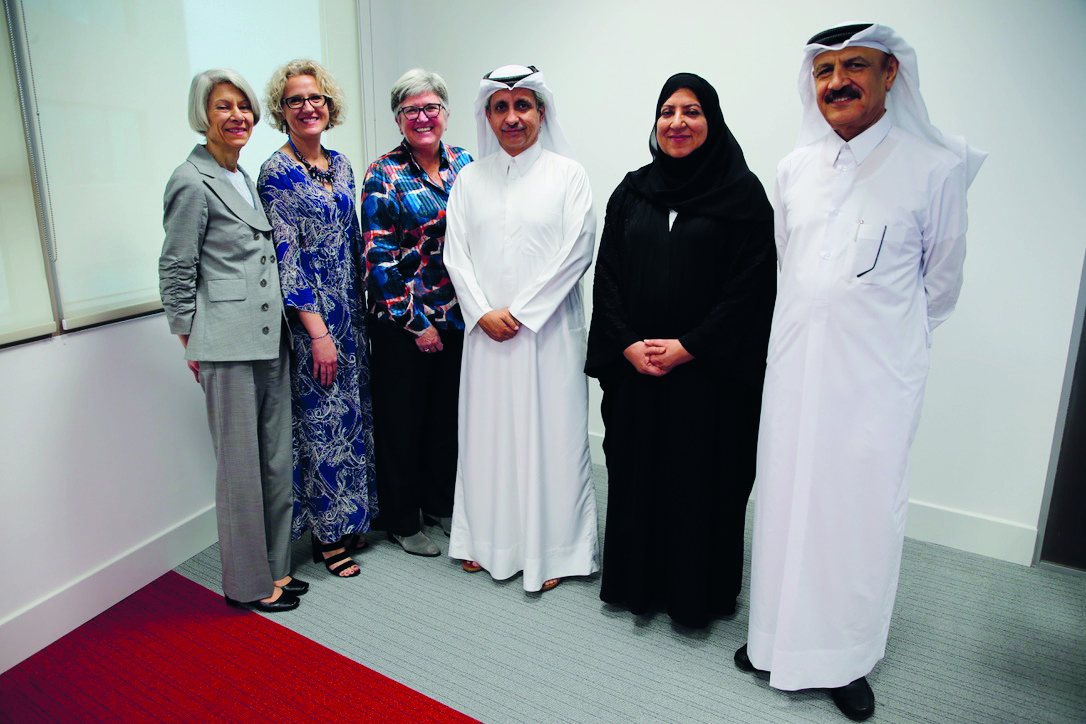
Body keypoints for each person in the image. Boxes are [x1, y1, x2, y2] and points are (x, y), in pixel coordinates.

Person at [736, 24, 987, 721]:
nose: (837, 82)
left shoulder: (934, 168)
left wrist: (875, 337)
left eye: (855, 67)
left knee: (857, 517)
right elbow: (792, 265)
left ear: (890, 76)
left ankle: (844, 660)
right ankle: (772, 641)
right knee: (786, 503)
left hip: (875, 378)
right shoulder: (795, 167)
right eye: (824, 71)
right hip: (792, 369)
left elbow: (942, 286)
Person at [585, 73, 776, 628]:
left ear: (712, 122)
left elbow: (751, 287)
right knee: (638, 475)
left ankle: (698, 595)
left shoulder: (743, 196)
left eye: (691, 111)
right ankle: (636, 584)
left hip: (709, 378)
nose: (677, 122)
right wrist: (624, 344)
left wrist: (689, 346)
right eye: (667, 111)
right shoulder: (633, 190)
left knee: (703, 482)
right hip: (639, 372)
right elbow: (609, 277)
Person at [444, 65, 599, 593]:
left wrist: (524, 311)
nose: (512, 117)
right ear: (487, 116)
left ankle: (554, 551)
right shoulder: (469, 178)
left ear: (541, 112)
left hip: (547, 334)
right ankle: (484, 542)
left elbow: (578, 249)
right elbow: (455, 253)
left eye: (523, 105)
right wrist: (483, 311)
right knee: (486, 440)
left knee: (551, 440)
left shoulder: (568, 175)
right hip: (485, 335)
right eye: (500, 107)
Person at [159, 69, 307, 612]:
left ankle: (276, 568)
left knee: (274, 461)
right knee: (241, 469)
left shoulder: (242, 175)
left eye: (244, 107)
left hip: (270, 339)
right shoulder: (191, 179)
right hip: (224, 345)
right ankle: (247, 585)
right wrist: (189, 340)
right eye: (224, 107)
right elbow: (176, 267)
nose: (238, 116)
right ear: (204, 115)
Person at [257, 59, 377, 579]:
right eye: (295, 100)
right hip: (314, 324)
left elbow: (351, 242)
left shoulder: (342, 164)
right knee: (322, 425)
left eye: (316, 98)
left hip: (351, 315)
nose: (308, 107)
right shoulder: (275, 172)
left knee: (352, 420)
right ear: (281, 112)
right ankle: (329, 536)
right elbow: (287, 258)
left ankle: (354, 517)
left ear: (329, 105)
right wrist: (319, 333)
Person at [362, 69, 473, 557]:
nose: (422, 117)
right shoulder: (382, 173)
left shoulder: (467, 165)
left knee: (445, 420)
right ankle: (404, 519)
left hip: (459, 318)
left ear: (445, 114)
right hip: (402, 324)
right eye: (411, 111)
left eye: (431, 108)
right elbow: (378, 257)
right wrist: (417, 323)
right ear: (398, 119)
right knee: (402, 423)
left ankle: (439, 503)